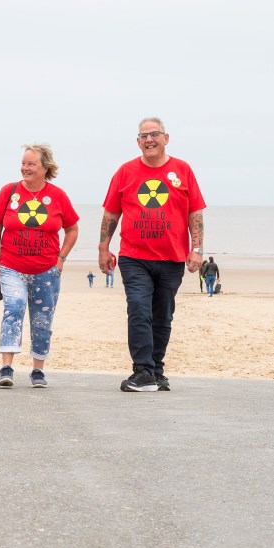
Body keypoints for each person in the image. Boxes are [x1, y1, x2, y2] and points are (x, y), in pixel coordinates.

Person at [98, 117, 205, 392]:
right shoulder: (125, 172)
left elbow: (195, 212)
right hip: (134, 258)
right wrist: (103, 248)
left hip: (171, 258)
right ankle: (142, 370)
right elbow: (111, 213)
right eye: (143, 136)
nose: (149, 140)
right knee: (138, 309)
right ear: (138, 141)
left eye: (154, 134)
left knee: (163, 315)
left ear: (166, 138)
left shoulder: (183, 170)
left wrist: (196, 249)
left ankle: (156, 370)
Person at [0, 144, 78, 389]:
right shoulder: (10, 191)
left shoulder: (58, 196)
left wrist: (61, 258)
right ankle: (6, 366)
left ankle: (38, 371)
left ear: (45, 168)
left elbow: (72, 229)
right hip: (11, 265)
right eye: (23, 163)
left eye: (31, 164)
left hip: (46, 270)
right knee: (14, 307)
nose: (25, 168)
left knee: (42, 319)